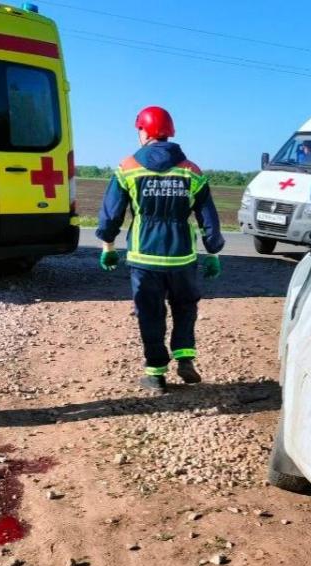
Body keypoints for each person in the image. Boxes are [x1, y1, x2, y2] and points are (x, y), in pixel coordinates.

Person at [96, 106, 224, 395]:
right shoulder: (191, 170)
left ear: (145, 130)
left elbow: (111, 213)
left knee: (150, 313)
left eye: (139, 129)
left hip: (144, 257)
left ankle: (155, 374)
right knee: (185, 307)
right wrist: (213, 252)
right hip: (182, 256)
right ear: (169, 132)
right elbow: (208, 217)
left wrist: (108, 246)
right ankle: (185, 356)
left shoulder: (128, 167)